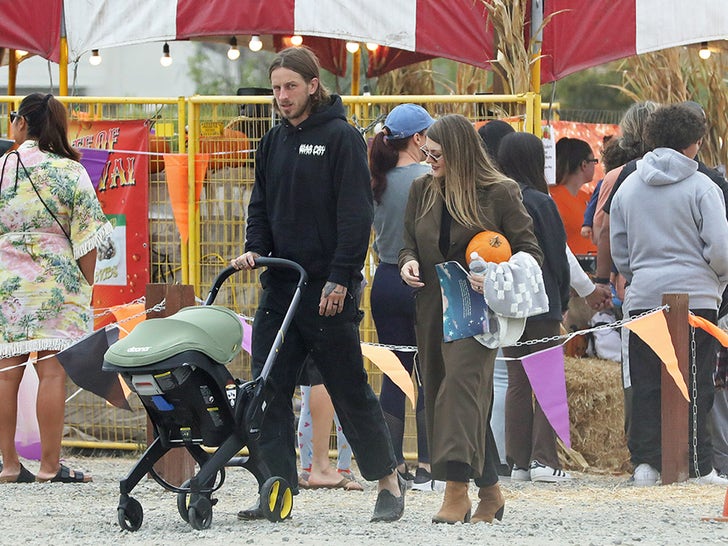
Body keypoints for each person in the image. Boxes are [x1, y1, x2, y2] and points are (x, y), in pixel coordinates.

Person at [231, 46, 403, 523]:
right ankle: (276, 489)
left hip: (327, 290)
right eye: (276, 88)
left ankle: (388, 481)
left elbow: (356, 214)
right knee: (267, 391)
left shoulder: (342, 138)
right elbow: (259, 205)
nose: (282, 97)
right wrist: (255, 248)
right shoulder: (272, 141)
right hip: (280, 287)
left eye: (290, 86)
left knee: (348, 388)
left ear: (313, 85)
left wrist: (341, 279)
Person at [399, 114, 543, 524]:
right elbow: (407, 245)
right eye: (425, 152)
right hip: (430, 306)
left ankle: (455, 491)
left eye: (436, 154)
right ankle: (492, 493)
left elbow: (531, 250)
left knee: (459, 390)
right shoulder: (420, 190)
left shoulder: (500, 192)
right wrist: (407, 263)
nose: (428, 160)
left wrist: (496, 274)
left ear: (460, 152)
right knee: (447, 394)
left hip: (477, 310)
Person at [610, 103, 728, 486]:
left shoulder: (629, 185)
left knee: (646, 381)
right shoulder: (703, 187)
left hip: (643, 296)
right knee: (696, 381)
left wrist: (637, 273)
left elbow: (619, 249)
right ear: (694, 143)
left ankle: (647, 464)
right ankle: (697, 464)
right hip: (696, 298)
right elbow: (722, 249)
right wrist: (713, 275)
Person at [0, 93, 112, 483]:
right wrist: (86, 284)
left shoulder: (0, 169)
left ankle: (10, 466)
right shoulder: (70, 171)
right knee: (51, 372)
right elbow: (88, 237)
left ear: (22, 124)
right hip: (56, 282)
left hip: (6, 284)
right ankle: (50, 466)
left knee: (5, 373)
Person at [369, 103, 441, 492]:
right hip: (423, 281)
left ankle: (393, 465)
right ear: (418, 138)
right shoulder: (429, 178)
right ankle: (429, 465)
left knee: (394, 375)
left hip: (385, 279)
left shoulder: (376, 179)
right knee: (429, 373)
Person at [496, 131, 572, 482]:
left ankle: (518, 462)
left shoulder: (496, 199)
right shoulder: (541, 202)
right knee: (547, 379)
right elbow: (557, 257)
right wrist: (564, 300)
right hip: (542, 302)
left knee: (516, 381)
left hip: (508, 303)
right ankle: (546, 460)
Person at [296, 357, 363, 491]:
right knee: (343, 412)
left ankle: (307, 469)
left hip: (308, 355)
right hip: (338, 356)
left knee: (307, 410)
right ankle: (344, 469)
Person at [551, 137, 598, 256]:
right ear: (584, 164)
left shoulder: (586, 198)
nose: (595, 165)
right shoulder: (552, 198)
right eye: (594, 161)